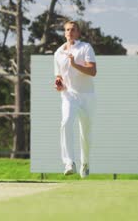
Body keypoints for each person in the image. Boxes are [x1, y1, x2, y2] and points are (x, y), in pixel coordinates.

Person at [54, 20, 97, 178]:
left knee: (86, 134)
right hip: (68, 95)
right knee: (65, 122)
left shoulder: (85, 47)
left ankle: (85, 163)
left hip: (87, 96)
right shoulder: (58, 53)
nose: (70, 32)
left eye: (73, 30)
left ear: (78, 33)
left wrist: (74, 64)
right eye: (67, 30)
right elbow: (59, 76)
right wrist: (58, 83)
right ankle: (69, 162)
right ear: (64, 33)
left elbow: (92, 71)